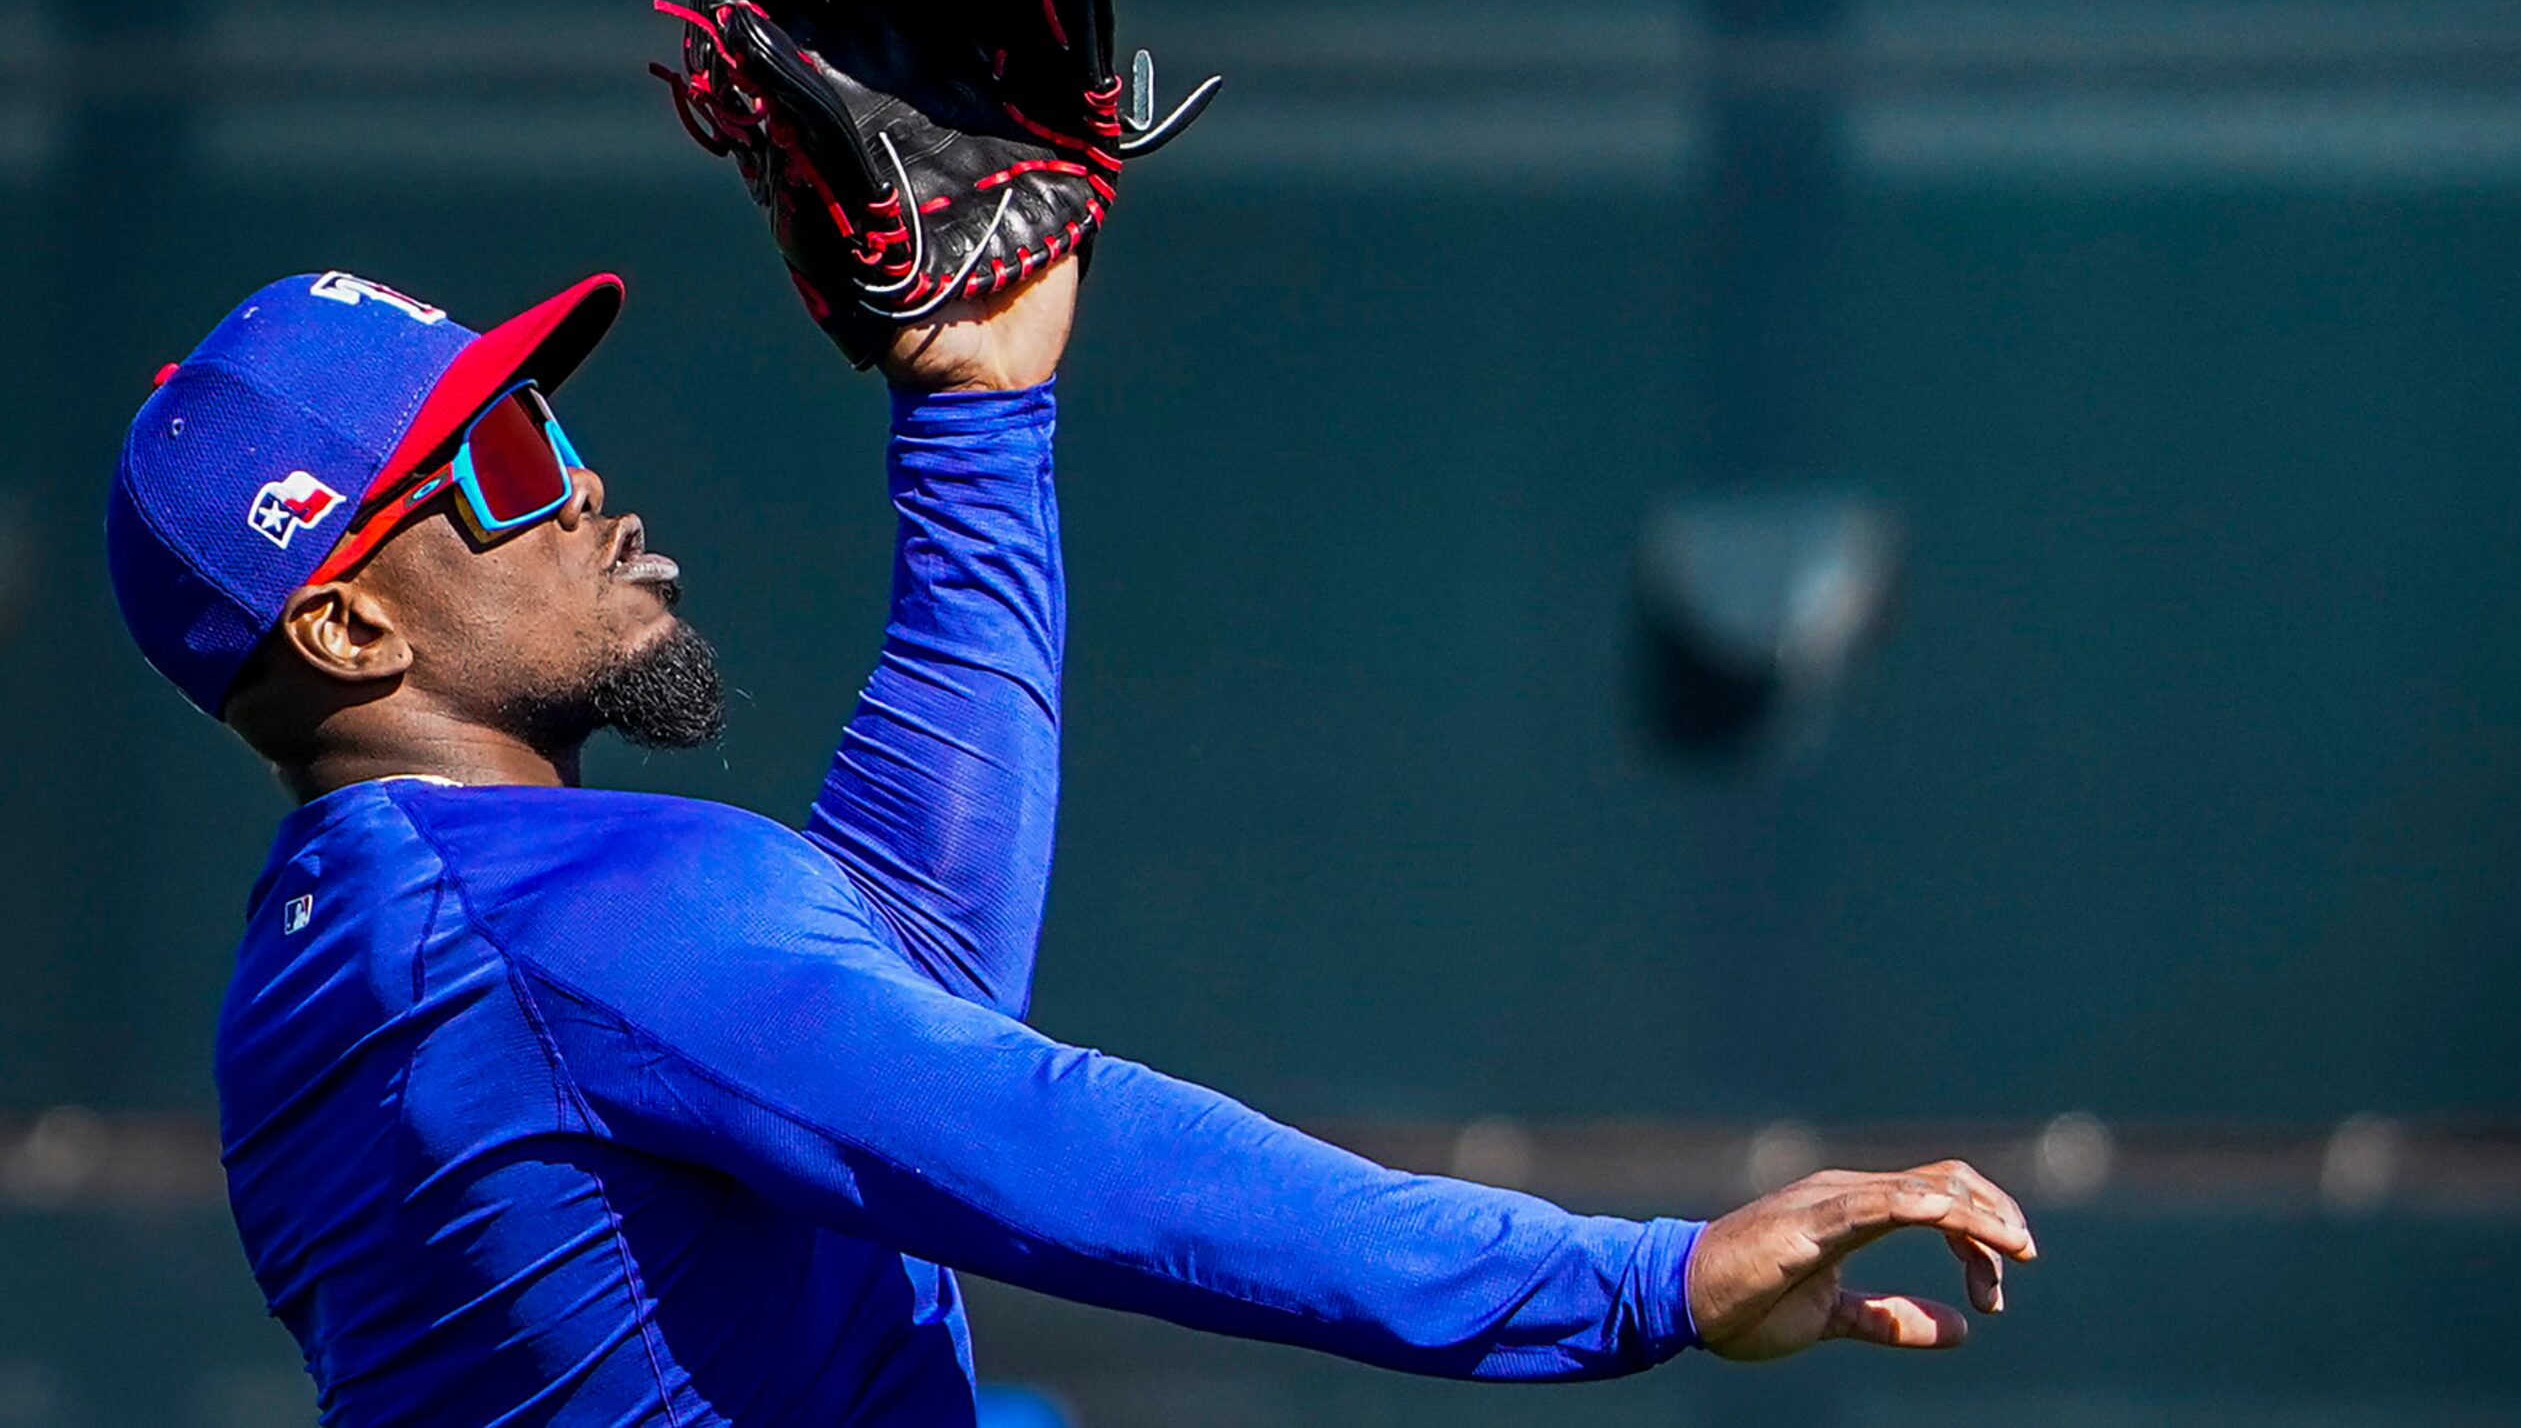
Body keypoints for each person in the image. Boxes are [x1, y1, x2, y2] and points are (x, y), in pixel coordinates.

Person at [105, 254, 2032, 1425]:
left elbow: (898, 981)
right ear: (350, 628)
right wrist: (1645, 1278)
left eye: (548, 418)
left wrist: (978, 416)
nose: (582, 482)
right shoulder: (567, 928)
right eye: (499, 465)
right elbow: (1044, 1140)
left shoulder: (349, 970)